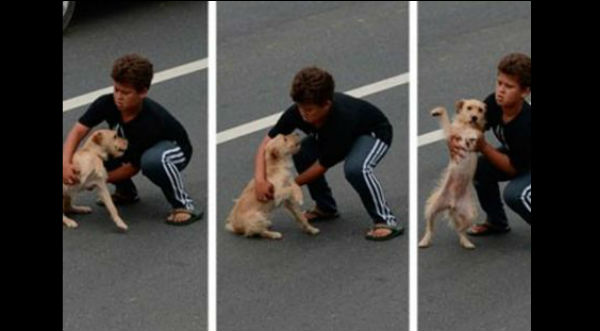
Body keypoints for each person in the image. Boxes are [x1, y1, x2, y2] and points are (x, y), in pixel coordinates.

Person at [254, 66, 403, 241]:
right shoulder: (297, 112)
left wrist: (288, 186)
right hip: (332, 138)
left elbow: (321, 166)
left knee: (356, 169)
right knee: (301, 152)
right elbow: (266, 144)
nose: (303, 114)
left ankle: (386, 220)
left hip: (370, 134)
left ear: (326, 105)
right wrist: (260, 180)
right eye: (300, 107)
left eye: (309, 110)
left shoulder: (342, 119)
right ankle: (325, 207)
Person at [62, 53, 202, 225]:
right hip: (134, 147)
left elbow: (132, 167)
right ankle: (126, 192)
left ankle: (183, 204)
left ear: (142, 92)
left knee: (152, 161)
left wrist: (97, 180)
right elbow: (78, 130)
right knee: (100, 150)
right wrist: (65, 163)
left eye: (126, 93)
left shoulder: (150, 120)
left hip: (173, 150)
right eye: (116, 89)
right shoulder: (106, 103)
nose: (118, 97)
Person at [452, 53, 531, 235]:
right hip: (519, 156)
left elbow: (513, 169)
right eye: (499, 83)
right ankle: (497, 222)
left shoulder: (525, 124)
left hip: (524, 162)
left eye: (509, 86)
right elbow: (472, 127)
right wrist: (457, 142)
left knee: (516, 194)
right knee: (477, 167)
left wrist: (484, 147)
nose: (501, 90)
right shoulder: (493, 104)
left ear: (524, 92)